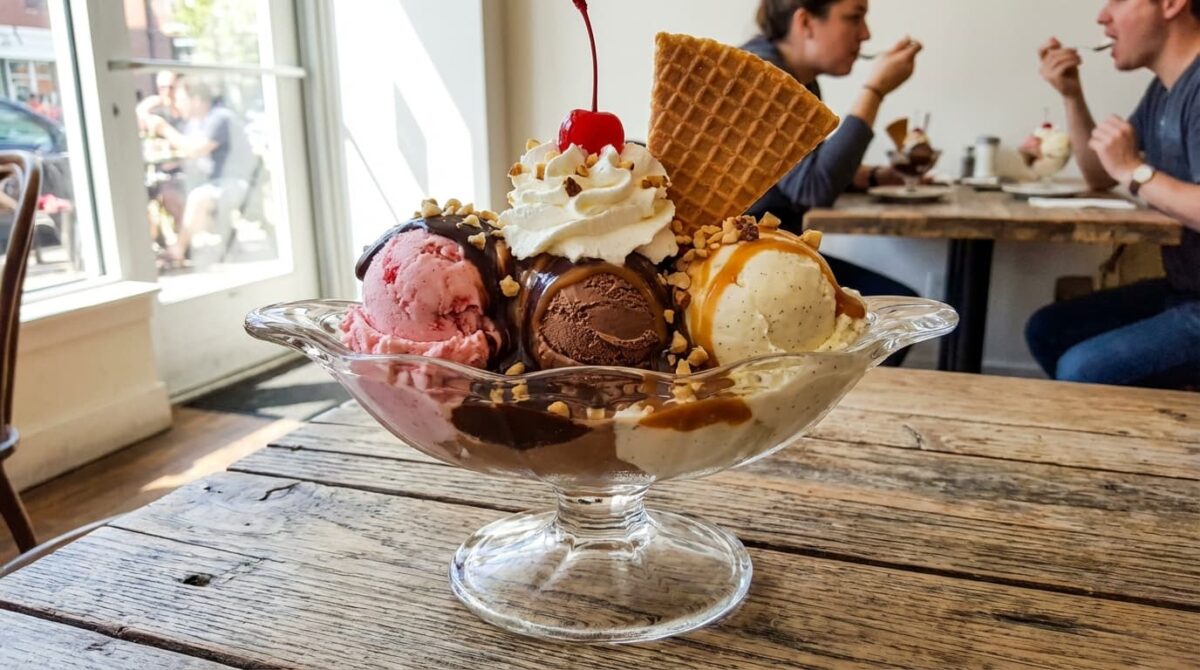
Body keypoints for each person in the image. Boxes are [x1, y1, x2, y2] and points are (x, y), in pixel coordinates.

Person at [1026, 0, 1200, 389]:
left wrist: (1134, 171)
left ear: (1172, 4)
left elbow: (1125, 171)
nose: (1102, 16)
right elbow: (1100, 174)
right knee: (1048, 330)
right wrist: (1072, 94)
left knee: (1083, 369)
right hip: (1184, 291)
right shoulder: (1164, 89)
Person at [743, 0, 924, 365]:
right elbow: (814, 186)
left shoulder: (799, 79)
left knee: (901, 312)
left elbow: (796, 171)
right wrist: (874, 90)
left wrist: (872, 176)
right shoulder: (759, 77)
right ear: (806, 22)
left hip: (777, 251)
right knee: (895, 321)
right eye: (854, 17)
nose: (866, 34)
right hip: (748, 266)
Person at [142, 78, 256, 267]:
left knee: (198, 197)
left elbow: (195, 149)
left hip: (236, 182)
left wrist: (165, 129)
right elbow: (187, 151)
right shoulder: (196, 123)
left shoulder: (220, 118)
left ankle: (177, 252)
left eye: (181, 99)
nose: (178, 104)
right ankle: (185, 247)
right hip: (214, 181)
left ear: (196, 100)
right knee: (170, 192)